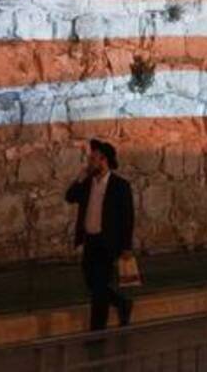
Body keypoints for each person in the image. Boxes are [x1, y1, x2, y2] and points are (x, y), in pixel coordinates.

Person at [65, 139, 135, 331]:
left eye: (93, 159)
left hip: (108, 243)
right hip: (90, 241)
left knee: (98, 289)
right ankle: (122, 303)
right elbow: (70, 197)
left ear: (103, 160)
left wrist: (126, 246)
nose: (89, 162)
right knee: (92, 283)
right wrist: (81, 176)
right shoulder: (87, 184)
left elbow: (128, 217)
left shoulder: (120, 186)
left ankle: (97, 332)